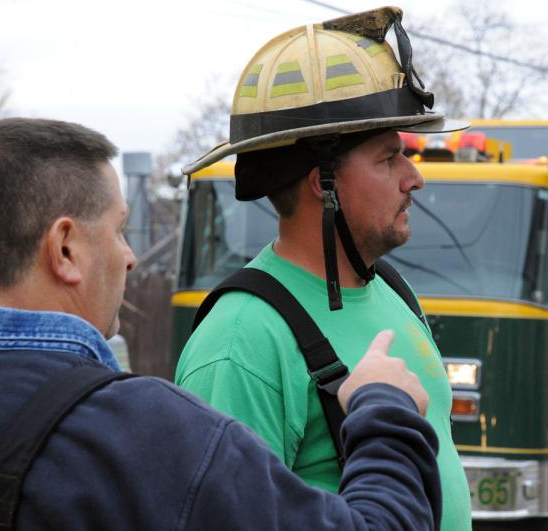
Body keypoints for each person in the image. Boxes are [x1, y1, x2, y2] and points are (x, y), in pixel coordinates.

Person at [0, 117, 441, 530]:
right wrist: (386, 414)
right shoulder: (145, 433)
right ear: (65, 250)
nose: (131, 257)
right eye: (119, 229)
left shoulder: (391, 288)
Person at [175, 7, 472, 530]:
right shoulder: (240, 339)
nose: (414, 178)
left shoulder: (392, 291)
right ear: (322, 182)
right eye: (388, 158)